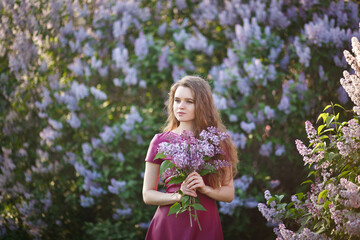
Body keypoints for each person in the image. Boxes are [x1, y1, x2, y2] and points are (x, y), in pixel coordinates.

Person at [142, 76, 238, 240]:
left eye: (189, 101)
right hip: (169, 224)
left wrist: (205, 189)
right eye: (177, 100)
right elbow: (148, 195)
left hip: (205, 222)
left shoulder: (217, 142)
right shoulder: (160, 141)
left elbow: (229, 193)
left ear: (202, 105)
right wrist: (178, 196)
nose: (181, 106)